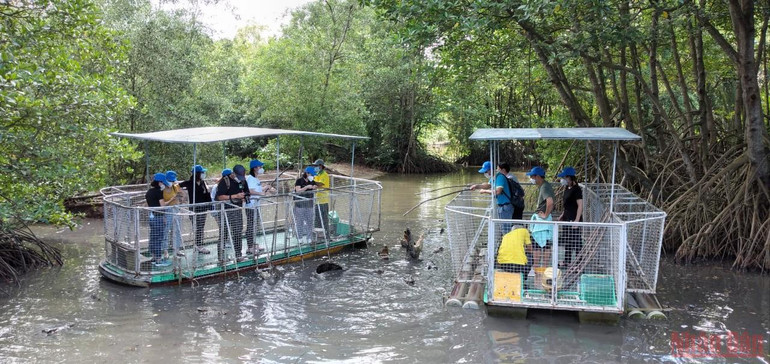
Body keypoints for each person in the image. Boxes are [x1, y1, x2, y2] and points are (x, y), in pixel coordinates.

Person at [470, 162, 514, 232]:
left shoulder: (499, 177)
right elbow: (488, 185)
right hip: (501, 206)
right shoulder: (494, 177)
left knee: (506, 229)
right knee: (503, 228)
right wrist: (476, 186)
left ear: (491, 169)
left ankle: (508, 242)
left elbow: (497, 191)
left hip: (506, 207)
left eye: (486, 171)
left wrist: (485, 191)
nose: (485, 173)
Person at [215, 168, 248, 261]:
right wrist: (235, 196)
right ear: (233, 173)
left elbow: (246, 192)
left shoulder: (242, 181)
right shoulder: (224, 181)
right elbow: (219, 196)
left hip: (237, 209)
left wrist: (244, 197)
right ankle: (221, 257)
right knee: (224, 233)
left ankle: (238, 255)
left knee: (237, 231)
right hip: (224, 210)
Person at [245, 159, 275, 255]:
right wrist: (260, 193)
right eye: (260, 167)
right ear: (255, 168)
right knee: (250, 226)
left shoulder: (256, 179)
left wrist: (265, 188)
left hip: (256, 206)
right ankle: (249, 247)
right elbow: (250, 190)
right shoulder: (250, 178)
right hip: (251, 206)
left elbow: (257, 189)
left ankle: (253, 244)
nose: (261, 168)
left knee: (254, 225)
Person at [179, 165, 211, 254]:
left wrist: (210, 205)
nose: (203, 174)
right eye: (202, 173)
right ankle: (198, 245)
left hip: (203, 208)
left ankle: (199, 244)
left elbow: (206, 194)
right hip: (194, 209)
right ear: (197, 174)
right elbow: (177, 186)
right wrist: (182, 195)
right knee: (197, 227)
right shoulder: (190, 183)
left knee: (201, 227)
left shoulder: (202, 183)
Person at [526, 166, 554, 267]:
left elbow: (550, 202)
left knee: (538, 245)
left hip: (542, 220)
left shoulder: (545, 187)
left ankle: (539, 266)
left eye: (532, 176)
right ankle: (540, 266)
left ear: (538, 176)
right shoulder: (543, 186)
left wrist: (545, 214)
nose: (531, 179)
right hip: (541, 219)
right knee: (543, 244)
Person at [557, 166, 583, 267]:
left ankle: (579, 263)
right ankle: (567, 261)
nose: (562, 179)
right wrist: (562, 215)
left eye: (564, 177)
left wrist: (576, 220)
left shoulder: (577, 189)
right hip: (566, 218)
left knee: (576, 241)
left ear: (569, 177)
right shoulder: (567, 188)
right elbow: (566, 204)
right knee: (567, 240)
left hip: (574, 218)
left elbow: (580, 205)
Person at [145, 173, 171, 266]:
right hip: (158, 217)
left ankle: (153, 257)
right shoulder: (158, 192)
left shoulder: (149, 192)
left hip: (151, 216)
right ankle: (158, 259)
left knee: (153, 237)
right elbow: (162, 206)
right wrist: (171, 200)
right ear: (160, 183)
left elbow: (148, 204)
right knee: (159, 238)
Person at [163, 170, 185, 257]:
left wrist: (181, 197)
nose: (172, 182)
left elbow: (182, 195)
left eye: (173, 181)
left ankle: (177, 249)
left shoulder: (175, 186)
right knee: (166, 231)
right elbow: (162, 202)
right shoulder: (163, 189)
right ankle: (165, 250)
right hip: (167, 210)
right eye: (170, 180)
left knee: (177, 230)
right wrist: (172, 199)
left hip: (176, 209)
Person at [293, 166, 317, 243]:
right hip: (299, 204)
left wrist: (315, 187)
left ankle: (309, 238)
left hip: (309, 204)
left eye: (313, 175)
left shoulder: (312, 181)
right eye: (311, 174)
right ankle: (299, 238)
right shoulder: (299, 181)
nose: (312, 176)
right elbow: (298, 191)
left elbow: (315, 187)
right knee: (300, 221)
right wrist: (306, 187)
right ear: (307, 173)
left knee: (310, 221)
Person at [312, 159, 330, 239]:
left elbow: (320, 184)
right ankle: (319, 236)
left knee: (324, 219)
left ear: (321, 166)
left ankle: (327, 236)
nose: (315, 167)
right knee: (317, 220)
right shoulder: (316, 174)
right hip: (317, 201)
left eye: (316, 166)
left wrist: (311, 182)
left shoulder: (324, 174)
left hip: (323, 200)